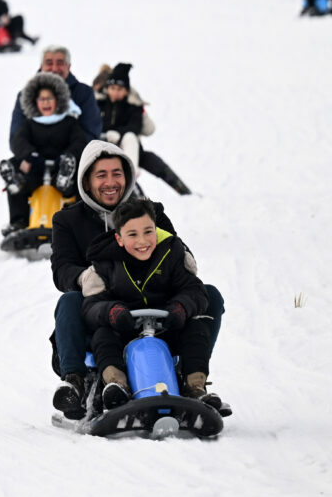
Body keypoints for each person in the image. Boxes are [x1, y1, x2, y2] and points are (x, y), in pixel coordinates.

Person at [47, 141, 225, 419]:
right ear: (86, 180)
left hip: (155, 307)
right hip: (103, 310)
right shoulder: (69, 220)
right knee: (69, 300)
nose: (110, 182)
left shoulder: (149, 212)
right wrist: (87, 278)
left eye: (117, 173)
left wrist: (184, 269)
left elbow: (171, 249)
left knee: (208, 295)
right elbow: (61, 269)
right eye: (101, 174)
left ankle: (193, 378)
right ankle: (76, 382)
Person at [81, 198, 222, 410]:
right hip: (123, 331)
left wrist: (180, 308)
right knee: (102, 336)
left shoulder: (172, 252)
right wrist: (112, 312)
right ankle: (116, 386)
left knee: (196, 329)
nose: (143, 241)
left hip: (167, 327)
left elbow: (194, 290)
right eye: (133, 235)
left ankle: (195, 387)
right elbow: (90, 306)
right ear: (119, 239)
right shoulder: (104, 263)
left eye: (148, 232)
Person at [0, 72, 89, 234]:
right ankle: (19, 214)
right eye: (42, 99)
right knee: (16, 164)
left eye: (50, 98)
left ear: (58, 100)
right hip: (36, 169)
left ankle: (65, 184)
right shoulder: (30, 124)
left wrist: (67, 156)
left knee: (76, 179)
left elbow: (79, 142)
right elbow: (19, 141)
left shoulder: (69, 122)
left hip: (60, 167)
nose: (46, 102)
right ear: (36, 102)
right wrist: (30, 155)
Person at [92, 63, 191, 194]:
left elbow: (135, 127)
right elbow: (93, 124)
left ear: (126, 90)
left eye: (119, 89)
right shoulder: (99, 103)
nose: (115, 92)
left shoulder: (133, 105)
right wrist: (106, 135)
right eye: (112, 88)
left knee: (147, 156)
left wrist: (119, 134)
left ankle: (181, 189)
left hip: (129, 148)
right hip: (104, 148)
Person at [8, 45, 101, 145]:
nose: (55, 68)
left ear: (68, 66)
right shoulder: (26, 95)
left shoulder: (84, 93)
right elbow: (16, 137)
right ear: (41, 66)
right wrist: (33, 155)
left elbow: (91, 133)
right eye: (49, 63)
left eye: (60, 63)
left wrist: (69, 154)